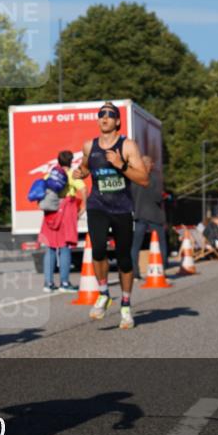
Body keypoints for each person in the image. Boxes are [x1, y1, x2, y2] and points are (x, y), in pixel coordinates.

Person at [74, 102, 150, 329]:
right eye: (101, 115)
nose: (104, 118)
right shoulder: (90, 145)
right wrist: (81, 172)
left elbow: (144, 179)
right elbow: (86, 167)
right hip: (98, 206)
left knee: (124, 257)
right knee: (97, 249)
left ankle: (125, 306)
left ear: (117, 121)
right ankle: (104, 293)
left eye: (109, 115)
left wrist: (121, 165)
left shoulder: (127, 146)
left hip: (122, 208)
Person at [39, 150, 85, 292]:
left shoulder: (49, 174)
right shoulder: (72, 174)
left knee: (50, 247)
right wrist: (81, 211)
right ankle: (64, 283)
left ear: (58, 161)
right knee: (65, 248)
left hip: (51, 212)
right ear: (71, 161)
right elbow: (84, 191)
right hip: (67, 210)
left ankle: (48, 283)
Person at [130, 155, 168, 281]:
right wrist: (165, 197)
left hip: (140, 214)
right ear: (147, 164)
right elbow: (157, 197)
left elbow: (131, 197)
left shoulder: (134, 179)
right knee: (161, 243)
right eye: (151, 163)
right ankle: (161, 270)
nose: (153, 165)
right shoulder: (154, 178)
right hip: (154, 216)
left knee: (136, 245)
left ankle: (134, 273)